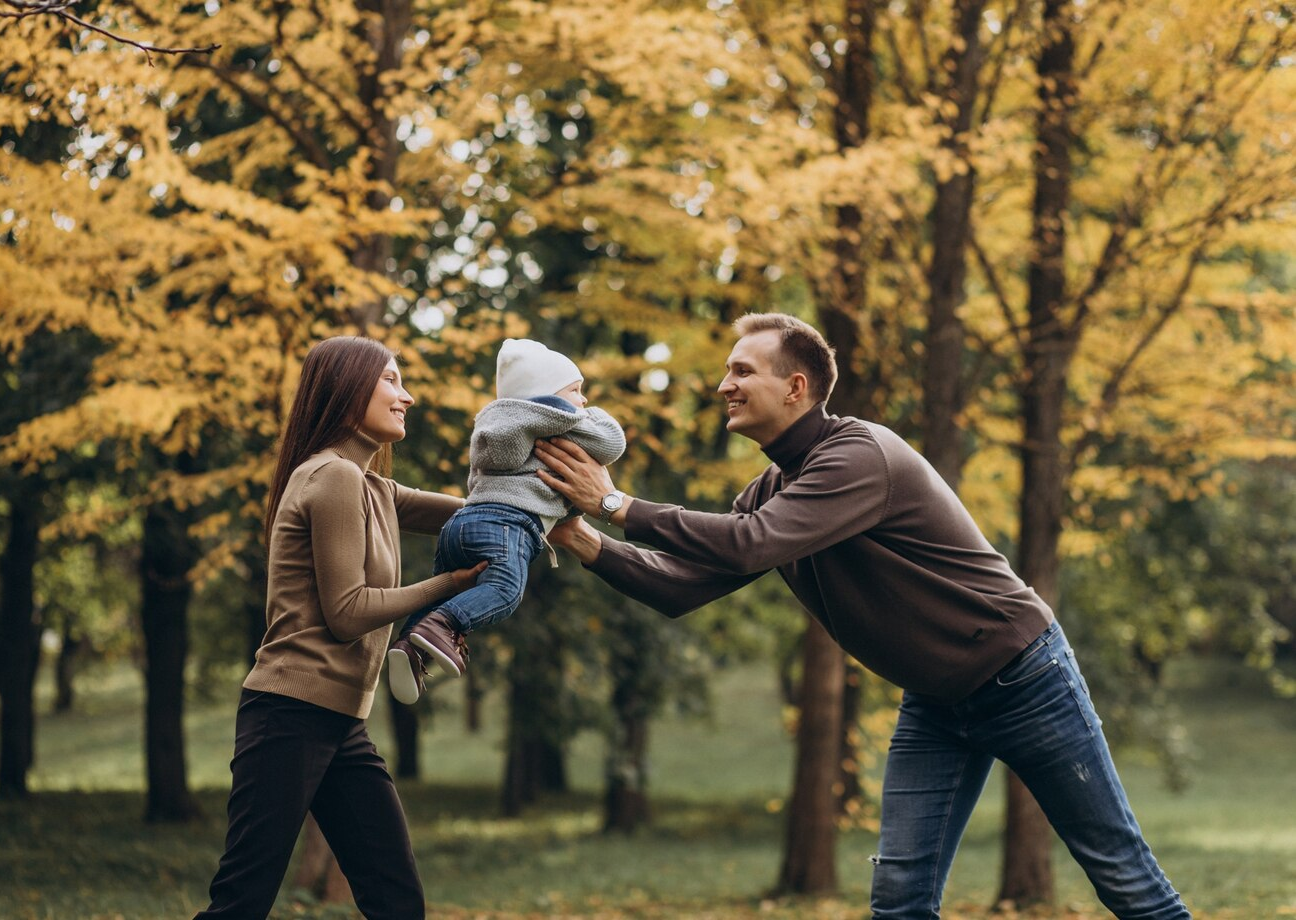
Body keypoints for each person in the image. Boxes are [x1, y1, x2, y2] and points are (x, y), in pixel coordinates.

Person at [535, 313, 1190, 920]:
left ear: (795, 387)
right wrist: (586, 542)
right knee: (900, 898)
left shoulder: (859, 455)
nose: (722, 385)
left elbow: (749, 543)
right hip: (936, 703)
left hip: (1023, 678)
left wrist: (615, 503)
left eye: (742, 372)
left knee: (1123, 877)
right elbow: (683, 586)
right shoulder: (772, 490)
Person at [195, 336, 487, 920]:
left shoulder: (372, 485)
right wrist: (451, 585)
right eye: (392, 381)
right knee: (240, 904)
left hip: (339, 724)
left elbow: (465, 511)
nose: (407, 396)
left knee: (396, 900)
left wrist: (533, 515)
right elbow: (348, 612)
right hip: (290, 713)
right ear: (349, 388)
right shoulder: (332, 476)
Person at [386, 338, 625, 704]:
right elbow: (612, 444)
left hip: (461, 523)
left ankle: (409, 644)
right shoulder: (556, 420)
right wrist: (588, 415)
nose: (584, 401)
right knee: (504, 591)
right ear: (550, 397)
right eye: (577, 391)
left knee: (445, 588)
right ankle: (444, 626)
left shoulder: (492, 425)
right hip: (508, 527)